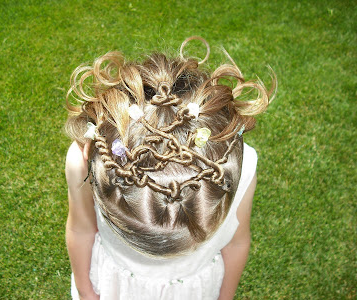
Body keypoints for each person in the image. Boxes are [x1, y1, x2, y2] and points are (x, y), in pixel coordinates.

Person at [64, 37, 276, 300]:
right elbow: (80, 229)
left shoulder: (240, 172)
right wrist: (86, 291)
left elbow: (237, 241)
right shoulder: (84, 165)